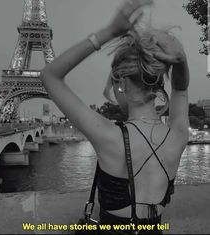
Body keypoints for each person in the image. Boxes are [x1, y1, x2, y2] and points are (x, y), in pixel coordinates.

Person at [40, 0, 189, 234]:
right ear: (157, 84)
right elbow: (180, 90)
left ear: (121, 84)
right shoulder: (178, 136)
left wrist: (107, 33)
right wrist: (181, 60)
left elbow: (50, 75)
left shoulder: (109, 135)